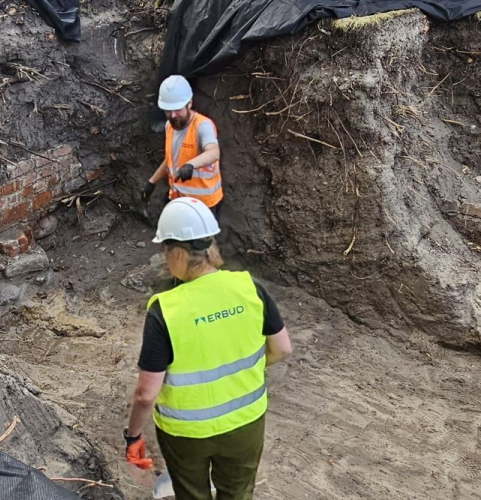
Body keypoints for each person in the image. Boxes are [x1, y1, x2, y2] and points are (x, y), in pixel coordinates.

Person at [123, 197, 293, 500]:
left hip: (186, 435)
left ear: (176, 251)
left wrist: (133, 435)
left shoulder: (165, 311)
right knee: (238, 493)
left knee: (191, 494)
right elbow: (281, 348)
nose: (164, 258)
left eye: (164, 250)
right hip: (246, 423)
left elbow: (146, 394)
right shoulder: (249, 287)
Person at [141, 75, 224, 222]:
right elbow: (171, 161)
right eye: (168, 111)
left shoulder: (202, 126)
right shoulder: (170, 126)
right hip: (179, 198)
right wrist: (152, 182)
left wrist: (191, 165)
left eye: (177, 110)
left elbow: (213, 152)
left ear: (189, 103)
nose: (173, 115)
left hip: (204, 205)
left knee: (199, 244)